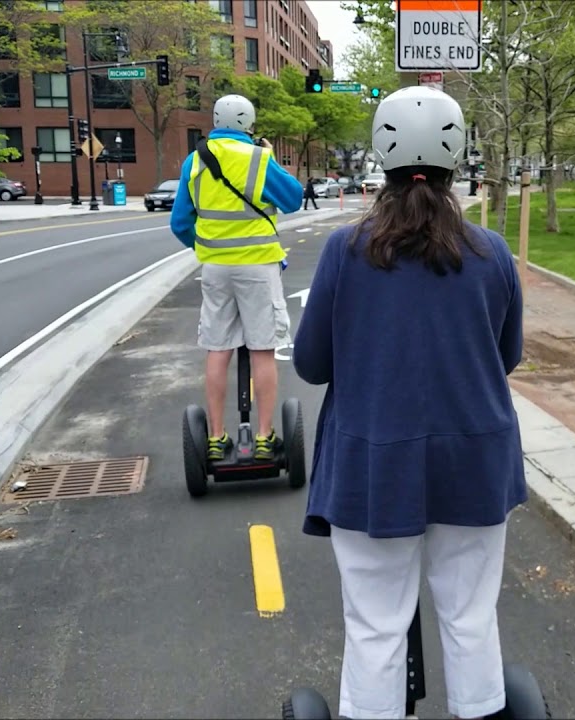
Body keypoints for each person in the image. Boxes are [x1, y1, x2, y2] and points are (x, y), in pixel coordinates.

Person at [292, 86, 526, 720]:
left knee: (375, 624)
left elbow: (311, 364)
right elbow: (504, 358)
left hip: (375, 464)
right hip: (475, 461)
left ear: (380, 153)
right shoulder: (492, 252)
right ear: (459, 156)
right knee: (471, 616)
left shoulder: (347, 251)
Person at [170, 94, 304, 462]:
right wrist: (271, 157)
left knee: (217, 348)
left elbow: (180, 223)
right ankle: (263, 437)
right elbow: (293, 199)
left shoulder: (195, 161)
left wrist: (208, 247)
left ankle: (215, 438)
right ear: (250, 123)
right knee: (262, 348)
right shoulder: (259, 158)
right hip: (258, 267)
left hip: (215, 269)